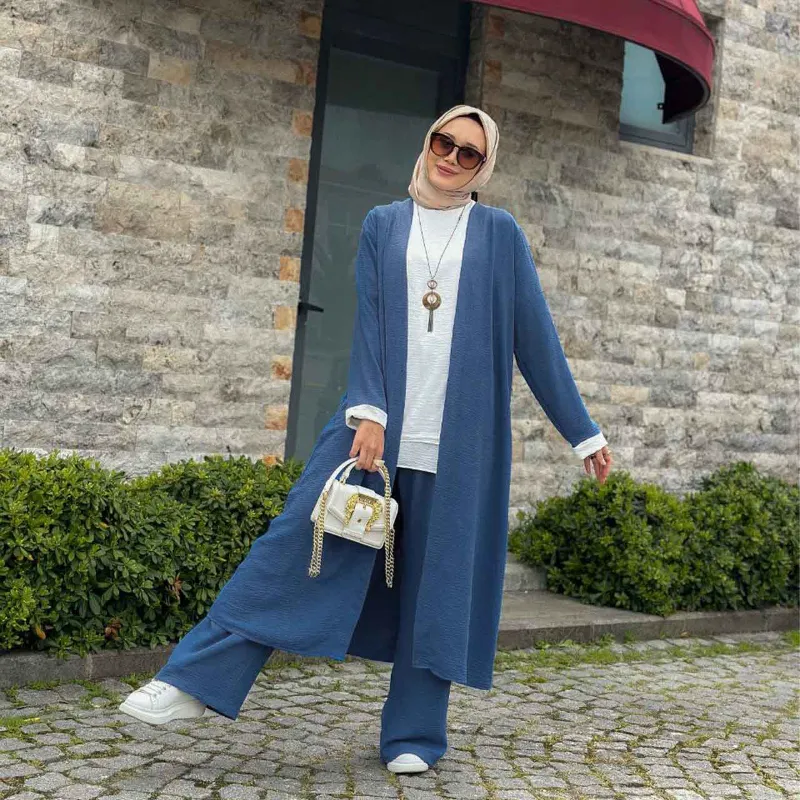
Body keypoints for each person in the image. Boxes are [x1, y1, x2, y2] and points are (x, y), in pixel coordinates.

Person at [118, 104, 613, 774]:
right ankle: (192, 681)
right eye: (444, 142)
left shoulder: (499, 234)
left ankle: (413, 735)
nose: (451, 158)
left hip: (458, 449)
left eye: (469, 153)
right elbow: (371, 324)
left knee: (434, 588)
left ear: (483, 167)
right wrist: (371, 412)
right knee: (294, 546)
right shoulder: (384, 223)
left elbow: (537, 339)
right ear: (427, 142)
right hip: (372, 431)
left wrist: (583, 433)